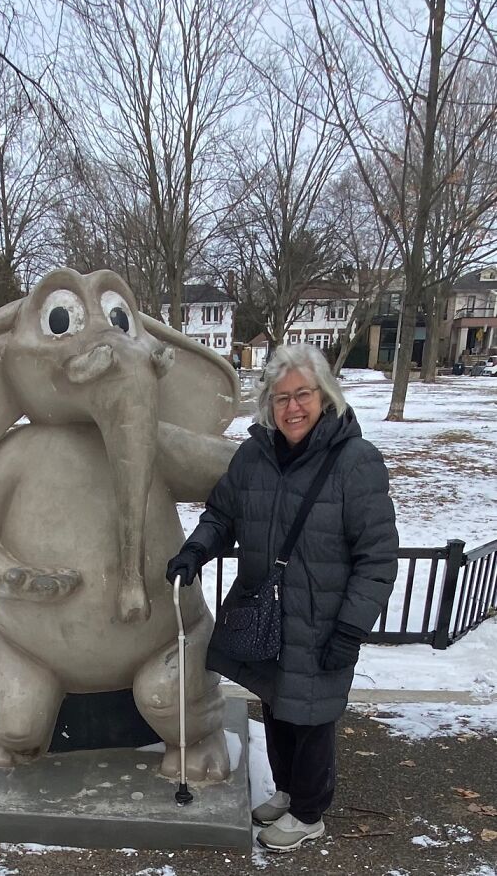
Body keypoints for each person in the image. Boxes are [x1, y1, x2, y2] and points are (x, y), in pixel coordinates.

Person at [166, 343, 398, 852]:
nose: (292, 407)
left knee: (311, 716)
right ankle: (290, 791)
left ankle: (309, 814)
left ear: (325, 396)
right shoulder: (255, 456)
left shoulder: (355, 462)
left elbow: (378, 557)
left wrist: (350, 628)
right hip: (268, 611)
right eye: (281, 397)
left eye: (303, 395)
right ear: (268, 403)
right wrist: (195, 551)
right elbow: (222, 515)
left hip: (323, 618)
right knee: (276, 705)